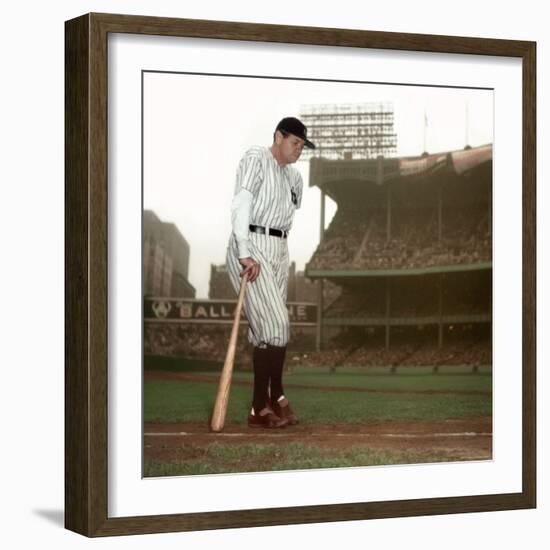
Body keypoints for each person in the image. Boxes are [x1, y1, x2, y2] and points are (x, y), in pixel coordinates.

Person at [226, 117, 315, 428]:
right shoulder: (256, 158)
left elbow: (291, 205)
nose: (299, 150)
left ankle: (257, 409)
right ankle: (276, 395)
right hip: (254, 245)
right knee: (278, 325)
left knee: (266, 336)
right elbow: (242, 203)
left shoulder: (294, 178)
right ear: (278, 136)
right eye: (295, 143)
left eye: (303, 147)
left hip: (280, 249)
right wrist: (243, 252)